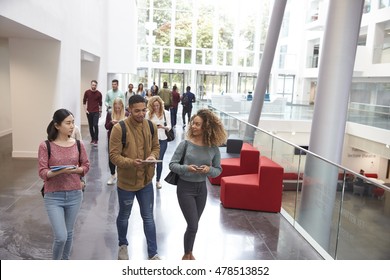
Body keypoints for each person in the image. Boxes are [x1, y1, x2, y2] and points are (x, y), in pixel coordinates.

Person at [168, 109, 227, 260]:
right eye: (193, 123)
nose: (193, 126)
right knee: (193, 224)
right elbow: (172, 165)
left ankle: (189, 253)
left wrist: (209, 170)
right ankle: (187, 255)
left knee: (194, 226)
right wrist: (187, 168)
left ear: (206, 127)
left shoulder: (213, 148)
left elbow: (218, 170)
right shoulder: (185, 144)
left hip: (201, 189)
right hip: (185, 188)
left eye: (197, 124)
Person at [109, 94, 161, 260]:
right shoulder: (119, 129)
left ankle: (153, 253)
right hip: (126, 183)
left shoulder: (151, 126)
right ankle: (122, 245)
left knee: (148, 217)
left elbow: (156, 147)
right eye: (137, 111)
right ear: (129, 110)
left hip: (146, 181)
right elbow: (114, 156)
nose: (141, 114)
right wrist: (132, 162)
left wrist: (153, 156)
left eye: (143, 110)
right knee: (124, 216)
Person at [38, 109, 90, 260]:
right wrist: (61, 171)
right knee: (61, 236)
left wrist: (77, 170)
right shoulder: (45, 146)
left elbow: (86, 166)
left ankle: (65, 262)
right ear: (57, 125)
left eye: (73, 122)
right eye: (68, 123)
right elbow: (42, 172)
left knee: (69, 233)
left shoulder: (78, 144)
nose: (72, 126)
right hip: (53, 196)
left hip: (75, 194)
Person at [145, 96, 171, 189]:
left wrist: (162, 127)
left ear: (160, 104)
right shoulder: (148, 114)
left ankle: (158, 180)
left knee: (159, 160)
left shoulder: (166, 113)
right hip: (151, 139)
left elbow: (169, 126)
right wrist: (153, 127)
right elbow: (145, 126)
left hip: (163, 139)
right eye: (154, 105)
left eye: (157, 105)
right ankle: (148, 179)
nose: (156, 107)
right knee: (151, 159)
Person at [105, 98, 129, 185]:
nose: (117, 109)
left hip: (123, 138)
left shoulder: (126, 114)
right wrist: (111, 123)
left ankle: (121, 175)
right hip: (112, 138)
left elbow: (130, 127)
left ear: (122, 106)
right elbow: (106, 127)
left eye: (119, 108)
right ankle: (112, 175)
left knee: (123, 156)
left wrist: (124, 122)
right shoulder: (110, 113)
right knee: (111, 157)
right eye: (116, 107)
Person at [83, 80, 102, 146]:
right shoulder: (87, 92)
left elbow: (100, 103)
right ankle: (92, 139)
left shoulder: (99, 93)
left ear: (96, 85)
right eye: (93, 85)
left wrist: (100, 111)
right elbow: (84, 101)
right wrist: (85, 110)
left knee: (95, 125)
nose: (94, 86)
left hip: (96, 111)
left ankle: (96, 140)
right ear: (91, 85)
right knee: (90, 126)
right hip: (89, 112)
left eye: (95, 85)